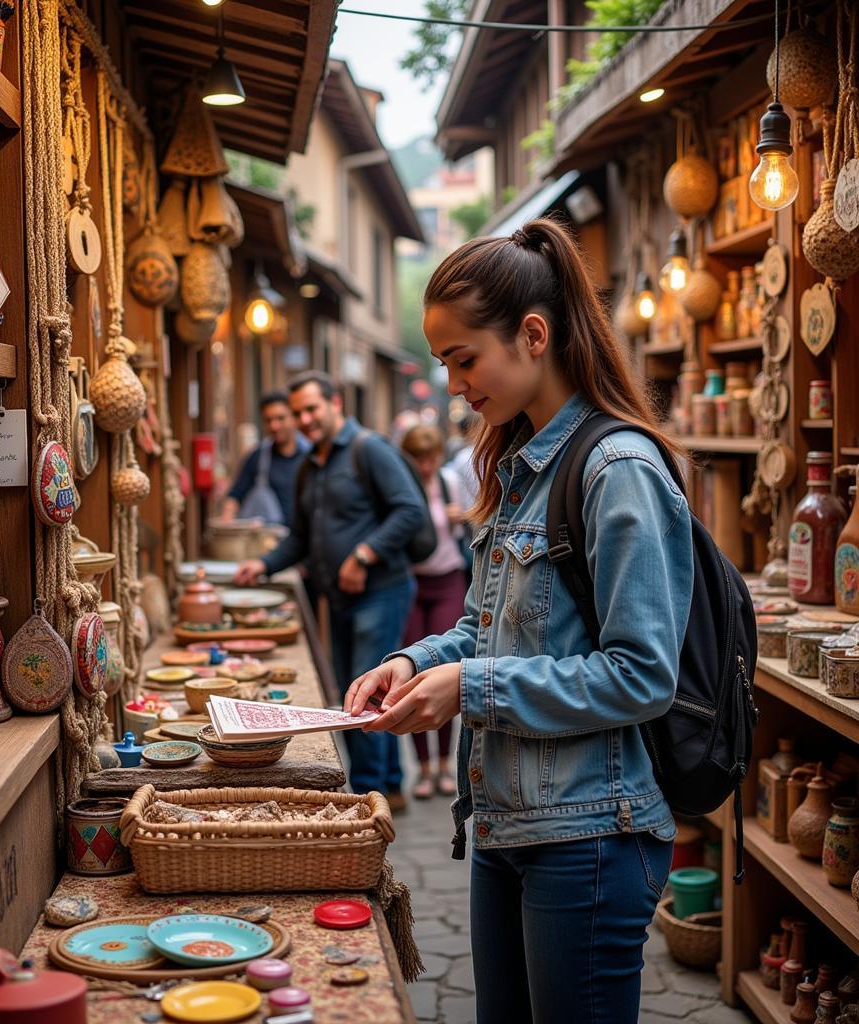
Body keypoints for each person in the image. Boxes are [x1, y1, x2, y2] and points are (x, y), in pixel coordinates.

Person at [343, 218, 693, 1023]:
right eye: (444, 364)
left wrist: (471, 686)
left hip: (591, 838)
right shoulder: (521, 463)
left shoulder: (619, 470)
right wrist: (418, 659)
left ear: (533, 335)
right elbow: (486, 625)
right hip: (505, 826)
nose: (454, 384)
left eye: (465, 359)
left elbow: (642, 676)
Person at [233, 370, 426, 809]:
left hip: (381, 591)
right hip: (336, 599)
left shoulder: (369, 449)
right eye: (298, 412)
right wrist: (263, 564)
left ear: (335, 403)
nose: (304, 419)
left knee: (364, 695)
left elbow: (410, 510)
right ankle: (390, 784)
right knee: (355, 690)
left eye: (311, 409)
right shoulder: (309, 465)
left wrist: (363, 555)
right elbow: (300, 537)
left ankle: (369, 795)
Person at [399, 424, 467, 800]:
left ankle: (444, 765)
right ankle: (422, 769)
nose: (426, 467)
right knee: (412, 672)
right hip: (412, 584)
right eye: (419, 459)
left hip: (447, 579)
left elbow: (473, 521)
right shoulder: (401, 483)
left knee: (443, 671)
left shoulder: (449, 480)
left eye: (431, 458)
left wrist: (463, 516)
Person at [221, 390, 309, 527]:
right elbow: (235, 495)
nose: (274, 426)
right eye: (268, 420)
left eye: (280, 418)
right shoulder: (258, 457)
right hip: (270, 541)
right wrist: (227, 521)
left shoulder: (311, 455)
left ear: (294, 418)